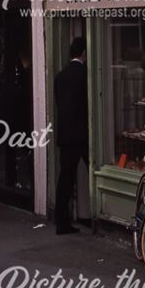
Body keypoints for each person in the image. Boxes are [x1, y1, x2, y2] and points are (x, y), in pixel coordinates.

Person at [53, 37, 88, 235]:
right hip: (84, 133)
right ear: (84, 53)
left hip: (66, 133)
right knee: (94, 170)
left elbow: (60, 104)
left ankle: (61, 221)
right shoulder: (85, 74)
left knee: (65, 178)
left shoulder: (60, 75)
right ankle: (96, 214)